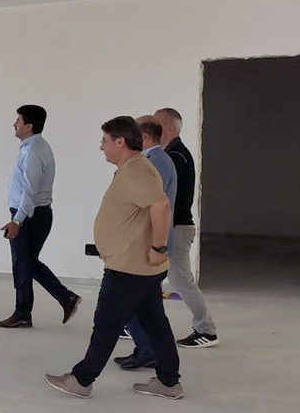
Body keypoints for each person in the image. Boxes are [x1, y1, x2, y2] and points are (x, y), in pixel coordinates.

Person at [44, 116, 183, 400]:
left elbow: (161, 205)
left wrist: (158, 248)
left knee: (107, 323)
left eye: (104, 141)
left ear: (120, 141)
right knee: (155, 323)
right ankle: (169, 382)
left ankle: (82, 379)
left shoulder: (137, 171)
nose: (101, 147)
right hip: (134, 265)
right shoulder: (131, 168)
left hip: (129, 268)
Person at [0, 105, 81, 328]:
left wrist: (17, 220)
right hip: (33, 214)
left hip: (30, 215)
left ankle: (24, 312)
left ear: (29, 126)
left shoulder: (33, 151)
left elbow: (30, 191)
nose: (14, 124)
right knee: (28, 263)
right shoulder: (34, 147)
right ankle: (65, 298)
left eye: (18, 121)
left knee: (22, 264)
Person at [114, 116, 178, 369]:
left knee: (129, 304)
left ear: (144, 137)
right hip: (143, 243)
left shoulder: (155, 162)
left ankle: (149, 351)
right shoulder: (153, 160)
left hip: (145, 244)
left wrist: (155, 246)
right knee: (143, 306)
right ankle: (148, 351)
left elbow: (154, 205)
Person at [156, 108, 218, 348]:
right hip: (172, 227)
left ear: (170, 128)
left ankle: (207, 330)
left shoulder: (176, 157)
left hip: (177, 229)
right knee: (148, 280)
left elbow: (166, 197)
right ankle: (138, 325)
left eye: (157, 123)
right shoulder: (170, 154)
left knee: (181, 282)